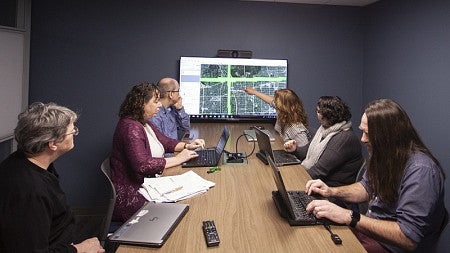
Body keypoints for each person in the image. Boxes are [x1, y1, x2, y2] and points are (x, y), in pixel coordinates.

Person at [305, 99, 447, 253]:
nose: (363, 139)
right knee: (313, 238)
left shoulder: (422, 171)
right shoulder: (385, 155)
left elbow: (408, 237)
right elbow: (366, 188)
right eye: (363, 131)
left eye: (368, 134)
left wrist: (349, 216)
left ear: (389, 136)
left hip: (390, 246)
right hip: (369, 231)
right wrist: (331, 191)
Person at [0, 102, 104, 253]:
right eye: (72, 131)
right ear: (53, 144)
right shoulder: (30, 190)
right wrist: (80, 249)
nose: (75, 132)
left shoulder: (26, 159)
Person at [110, 82, 205, 222]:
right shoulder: (131, 128)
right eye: (155, 101)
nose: (159, 105)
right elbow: (142, 165)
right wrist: (179, 159)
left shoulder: (143, 122)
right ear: (142, 103)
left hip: (149, 185)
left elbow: (166, 142)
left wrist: (187, 147)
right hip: (134, 196)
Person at [300, 96, 363, 188]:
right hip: (322, 184)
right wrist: (294, 149)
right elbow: (306, 151)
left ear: (327, 115)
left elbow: (318, 171)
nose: (317, 114)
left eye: (318, 111)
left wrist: (291, 178)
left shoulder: (344, 138)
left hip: (333, 191)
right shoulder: (325, 130)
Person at [244, 87, 311, 160]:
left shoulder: (296, 129)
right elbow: (270, 100)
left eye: (276, 102)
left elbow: (305, 154)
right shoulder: (283, 112)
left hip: (291, 159)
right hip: (280, 147)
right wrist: (254, 92)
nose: (274, 103)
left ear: (284, 107)